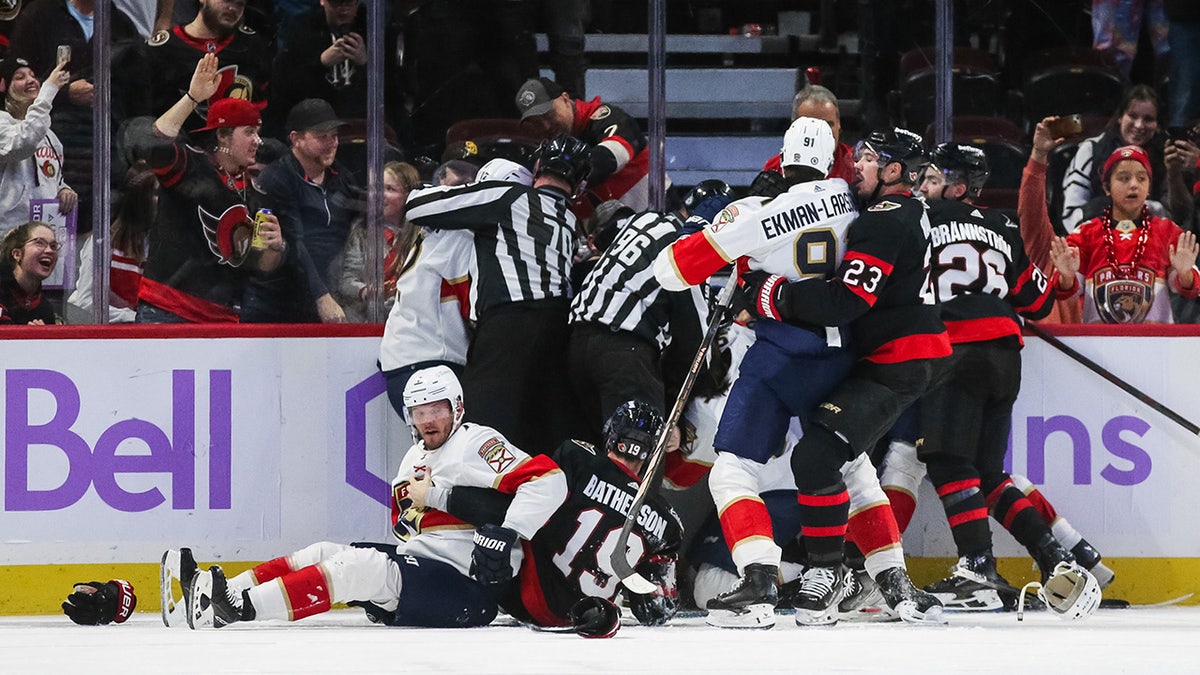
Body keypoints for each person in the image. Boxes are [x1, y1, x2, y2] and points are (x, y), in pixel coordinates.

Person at [655, 119, 930, 628]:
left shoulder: (757, 211)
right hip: (843, 355)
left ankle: (759, 581)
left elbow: (671, 271)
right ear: (835, 164)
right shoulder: (857, 202)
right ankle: (891, 578)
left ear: (780, 160)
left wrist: (716, 229)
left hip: (780, 357)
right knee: (854, 469)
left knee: (733, 468)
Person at [736, 127, 952, 626]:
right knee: (853, 464)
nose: (856, 166)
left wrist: (769, 295)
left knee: (817, 456)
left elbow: (845, 302)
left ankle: (827, 573)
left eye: (869, 159)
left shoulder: (884, 217)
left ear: (895, 171)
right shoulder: (904, 211)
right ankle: (896, 586)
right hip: (901, 357)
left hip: (895, 362)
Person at [176, 366, 569, 629]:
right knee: (323, 552)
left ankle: (241, 609)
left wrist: (508, 530)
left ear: (458, 408)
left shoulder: (475, 442)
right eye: (418, 411)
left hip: (470, 587)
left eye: (437, 409)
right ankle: (221, 591)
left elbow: (549, 480)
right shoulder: (412, 458)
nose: (428, 420)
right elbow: (408, 532)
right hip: (430, 568)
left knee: (362, 567)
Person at [913, 142, 1101, 616]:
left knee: (949, 464)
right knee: (989, 474)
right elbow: (1037, 303)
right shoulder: (1002, 226)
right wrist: (1059, 280)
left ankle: (977, 567)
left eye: (934, 177)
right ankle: (1054, 558)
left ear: (958, 185)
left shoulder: (920, 219)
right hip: (1004, 356)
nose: (924, 185)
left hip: (955, 350)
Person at [426, 401, 684, 632]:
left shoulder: (578, 457)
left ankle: (429, 510)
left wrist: (439, 497)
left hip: (522, 594)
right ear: (650, 452)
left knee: (509, 517)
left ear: (611, 436)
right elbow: (656, 611)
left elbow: (528, 501)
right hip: (585, 616)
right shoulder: (668, 523)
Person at [403, 134, 588, 455]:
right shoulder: (571, 219)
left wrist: (462, 193)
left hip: (508, 325)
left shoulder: (508, 195)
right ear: (580, 184)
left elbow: (417, 206)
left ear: (538, 166)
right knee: (541, 439)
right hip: (559, 329)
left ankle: (466, 501)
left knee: (480, 432)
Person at [129, 53, 285, 323]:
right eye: (249, 132)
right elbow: (154, 143)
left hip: (222, 319)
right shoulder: (191, 164)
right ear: (222, 135)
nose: (258, 141)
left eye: (258, 133)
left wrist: (276, 247)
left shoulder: (254, 193)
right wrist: (192, 98)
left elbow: (259, 266)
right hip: (169, 311)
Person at [568, 180, 728, 437]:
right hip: (624, 354)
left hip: (576, 343)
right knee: (637, 454)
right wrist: (680, 400)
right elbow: (696, 341)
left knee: (593, 451)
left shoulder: (644, 220)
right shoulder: (687, 245)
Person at [8, 0, 141, 234]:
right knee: (41, 236)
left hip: (104, 148)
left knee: (92, 240)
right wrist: (65, 93)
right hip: (50, 139)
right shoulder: (39, 16)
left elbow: (138, 92)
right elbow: (16, 78)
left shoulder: (121, 25)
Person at [1050, 144, 1200, 323]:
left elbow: (1190, 288)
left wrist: (1184, 272)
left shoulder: (1168, 231)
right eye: (1124, 178)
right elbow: (1065, 291)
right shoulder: (1085, 234)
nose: (1134, 185)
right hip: (1096, 344)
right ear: (1107, 187)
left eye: (1141, 178)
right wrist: (1066, 276)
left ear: (1149, 187)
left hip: (1155, 344)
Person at [249, 97, 358, 323]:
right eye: (322, 137)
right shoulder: (277, 179)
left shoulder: (342, 177)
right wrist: (322, 297)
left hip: (325, 292)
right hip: (277, 305)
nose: (332, 143)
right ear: (296, 139)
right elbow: (295, 241)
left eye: (334, 136)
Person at [515, 76, 653, 215]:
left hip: (652, 214)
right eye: (536, 122)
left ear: (565, 99)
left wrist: (565, 173)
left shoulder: (607, 118)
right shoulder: (545, 149)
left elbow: (613, 155)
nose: (546, 126)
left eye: (549, 114)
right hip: (605, 228)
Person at [133, 0, 272, 131]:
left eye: (239, 4)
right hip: (179, 145)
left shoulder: (251, 45)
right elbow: (146, 116)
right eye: (226, 0)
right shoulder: (162, 50)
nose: (232, 9)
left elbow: (260, 107)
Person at [1061, 85, 1171, 232]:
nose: (1139, 125)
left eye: (1148, 119)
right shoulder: (1091, 150)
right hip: (1093, 240)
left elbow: (1173, 217)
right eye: (1132, 116)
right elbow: (1071, 213)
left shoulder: (1166, 157)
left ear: (1157, 125)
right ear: (1120, 116)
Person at [67, 166, 157, 323]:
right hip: (110, 337)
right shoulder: (103, 243)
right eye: (156, 193)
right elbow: (86, 302)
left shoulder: (164, 243)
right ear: (140, 199)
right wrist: (134, 317)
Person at [268, 0, 370, 136]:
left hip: (360, 118)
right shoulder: (302, 28)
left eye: (349, 3)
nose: (343, 9)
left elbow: (390, 90)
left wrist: (365, 63)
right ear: (323, 1)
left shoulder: (371, 29)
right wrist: (321, 62)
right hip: (313, 120)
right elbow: (285, 85)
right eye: (336, 3)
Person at [337, 160, 421, 322]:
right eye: (377, 188)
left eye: (390, 189)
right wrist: (367, 291)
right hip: (364, 322)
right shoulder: (361, 233)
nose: (380, 195)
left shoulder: (422, 235)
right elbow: (346, 281)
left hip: (408, 323)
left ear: (409, 195)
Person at [0, 56, 76, 232]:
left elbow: (51, 177)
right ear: (3, 86)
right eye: (19, 77)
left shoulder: (48, 135)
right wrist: (49, 90)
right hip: (7, 236)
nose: (31, 80)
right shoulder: (3, 122)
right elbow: (21, 144)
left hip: (41, 234)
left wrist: (63, 190)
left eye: (33, 75)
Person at [761, 84, 855, 184]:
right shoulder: (774, 169)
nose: (820, 134)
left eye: (827, 125)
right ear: (794, 127)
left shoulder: (857, 166)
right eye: (811, 125)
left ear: (838, 124)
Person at [0, 220, 62, 324]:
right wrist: (29, 335)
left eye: (53, 246)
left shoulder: (45, 309)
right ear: (17, 254)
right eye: (39, 243)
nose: (49, 251)